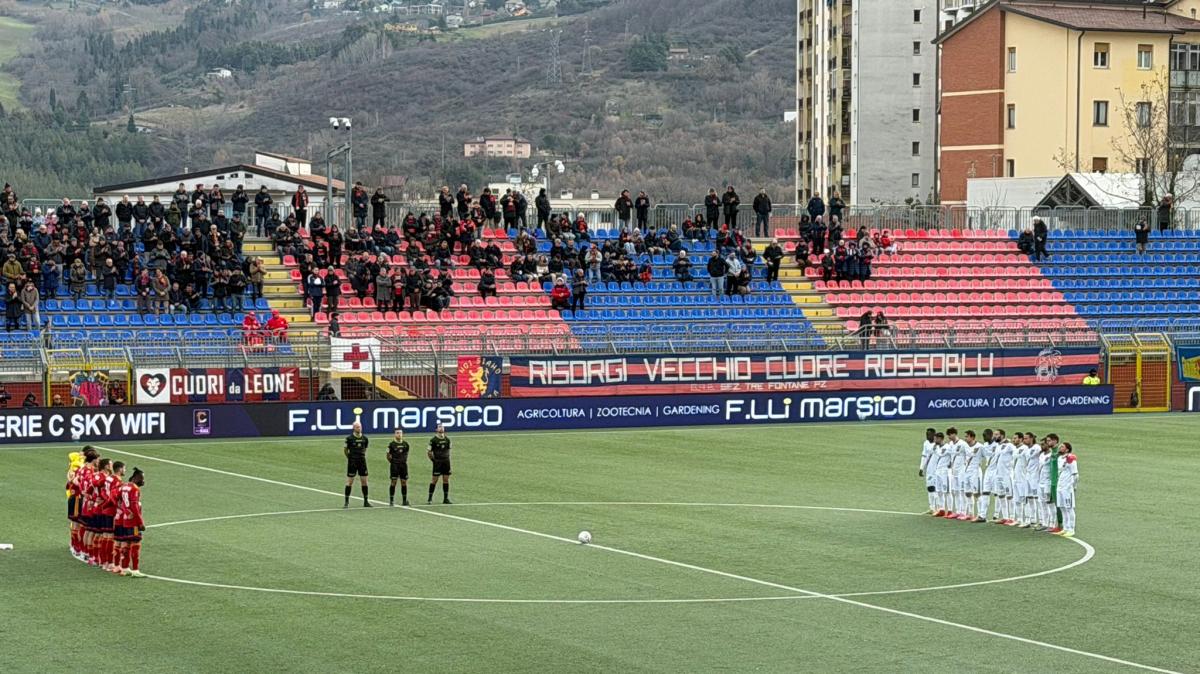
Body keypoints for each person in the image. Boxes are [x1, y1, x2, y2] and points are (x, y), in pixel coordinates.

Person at [113, 466, 146, 577]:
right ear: (136, 478)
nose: (143, 481)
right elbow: (135, 507)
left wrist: (125, 511)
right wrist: (140, 523)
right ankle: (135, 570)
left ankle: (125, 568)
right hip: (133, 522)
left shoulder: (124, 486)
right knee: (136, 544)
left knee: (125, 543)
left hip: (124, 520)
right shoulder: (135, 489)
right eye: (142, 478)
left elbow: (117, 499)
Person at [343, 421, 371, 508]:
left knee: (364, 481)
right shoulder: (349, 439)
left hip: (362, 462)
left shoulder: (365, 439)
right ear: (354, 428)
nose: (359, 428)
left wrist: (361, 456)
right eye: (357, 427)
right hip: (352, 462)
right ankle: (346, 502)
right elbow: (345, 450)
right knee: (350, 481)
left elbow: (365, 449)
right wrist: (350, 458)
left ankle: (366, 501)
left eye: (360, 426)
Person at [1055, 442, 1079, 537]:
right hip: (1060, 486)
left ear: (1067, 449)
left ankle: (1071, 529)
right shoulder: (1059, 458)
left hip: (1067, 487)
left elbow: (1075, 474)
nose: (1060, 448)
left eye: (1062, 447)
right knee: (1062, 508)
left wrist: (1073, 486)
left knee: (1069, 508)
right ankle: (1065, 528)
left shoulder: (1071, 459)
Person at [962, 430, 986, 522]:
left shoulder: (980, 446)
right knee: (967, 493)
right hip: (966, 471)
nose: (965, 438)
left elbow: (988, 455)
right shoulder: (965, 446)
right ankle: (970, 514)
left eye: (967, 436)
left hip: (975, 472)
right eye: (965, 436)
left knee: (977, 494)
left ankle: (980, 515)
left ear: (972, 437)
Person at [427, 424, 452, 505]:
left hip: (446, 462)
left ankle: (445, 498)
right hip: (437, 462)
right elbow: (429, 452)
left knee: (446, 479)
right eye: (439, 427)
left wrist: (447, 459)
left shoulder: (447, 440)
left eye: (442, 427)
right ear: (436, 429)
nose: (441, 428)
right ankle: (430, 498)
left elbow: (449, 450)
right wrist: (434, 461)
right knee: (434, 480)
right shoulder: (433, 440)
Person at [386, 429, 410, 507]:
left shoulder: (406, 444)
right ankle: (391, 500)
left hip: (403, 465)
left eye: (400, 433)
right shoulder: (391, 445)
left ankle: (404, 500)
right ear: (395, 434)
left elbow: (406, 454)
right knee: (393, 482)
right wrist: (393, 462)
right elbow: (388, 456)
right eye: (397, 433)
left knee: (404, 482)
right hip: (394, 465)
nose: (399, 434)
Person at [917, 428, 938, 515]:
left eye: (929, 434)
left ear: (934, 435)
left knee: (936, 488)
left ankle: (938, 508)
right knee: (929, 488)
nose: (927, 436)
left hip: (937, 470)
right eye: (926, 434)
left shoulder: (938, 444)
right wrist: (921, 468)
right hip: (929, 469)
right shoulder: (926, 443)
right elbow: (924, 456)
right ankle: (932, 508)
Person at [930, 432, 952, 516]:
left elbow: (940, 454)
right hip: (938, 471)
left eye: (936, 439)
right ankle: (941, 509)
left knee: (947, 491)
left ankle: (949, 510)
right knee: (939, 491)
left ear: (941, 439)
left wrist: (935, 448)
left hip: (945, 471)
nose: (935, 440)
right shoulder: (938, 447)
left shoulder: (946, 447)